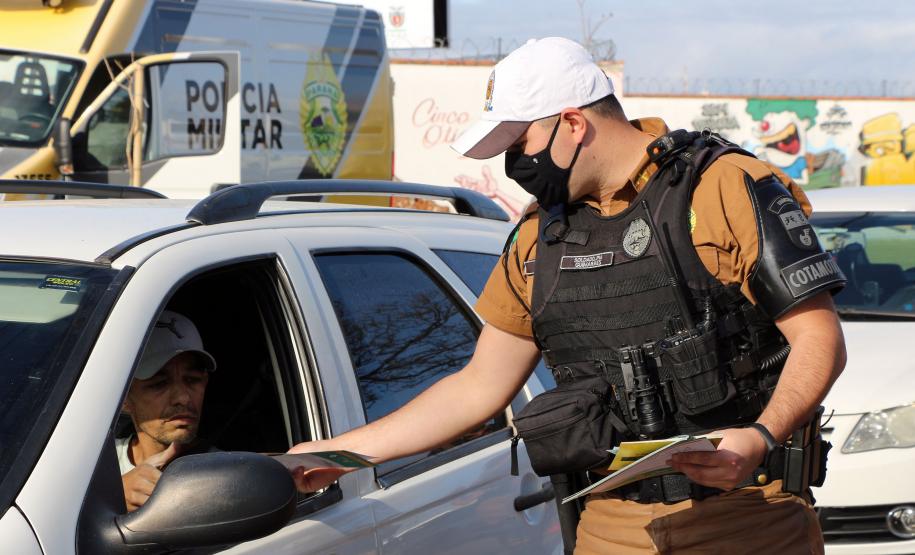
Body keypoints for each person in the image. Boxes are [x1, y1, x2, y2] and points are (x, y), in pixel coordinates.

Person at [289, 37, 846, 554]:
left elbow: (819, 339)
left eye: (519, 143)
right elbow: (476, 387)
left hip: (749, 516)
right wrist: (337, 456)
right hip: (611, 527)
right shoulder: (539, 237)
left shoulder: (723, 185)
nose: (514, 166)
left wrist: (761, 434)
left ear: (573, 123)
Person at [118, 310, 218, 512]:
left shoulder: (226, 475)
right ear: (124, 399)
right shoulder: (93, 466)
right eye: (159, 384)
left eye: (193, 380)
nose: (183, 398)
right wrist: (113, 496)